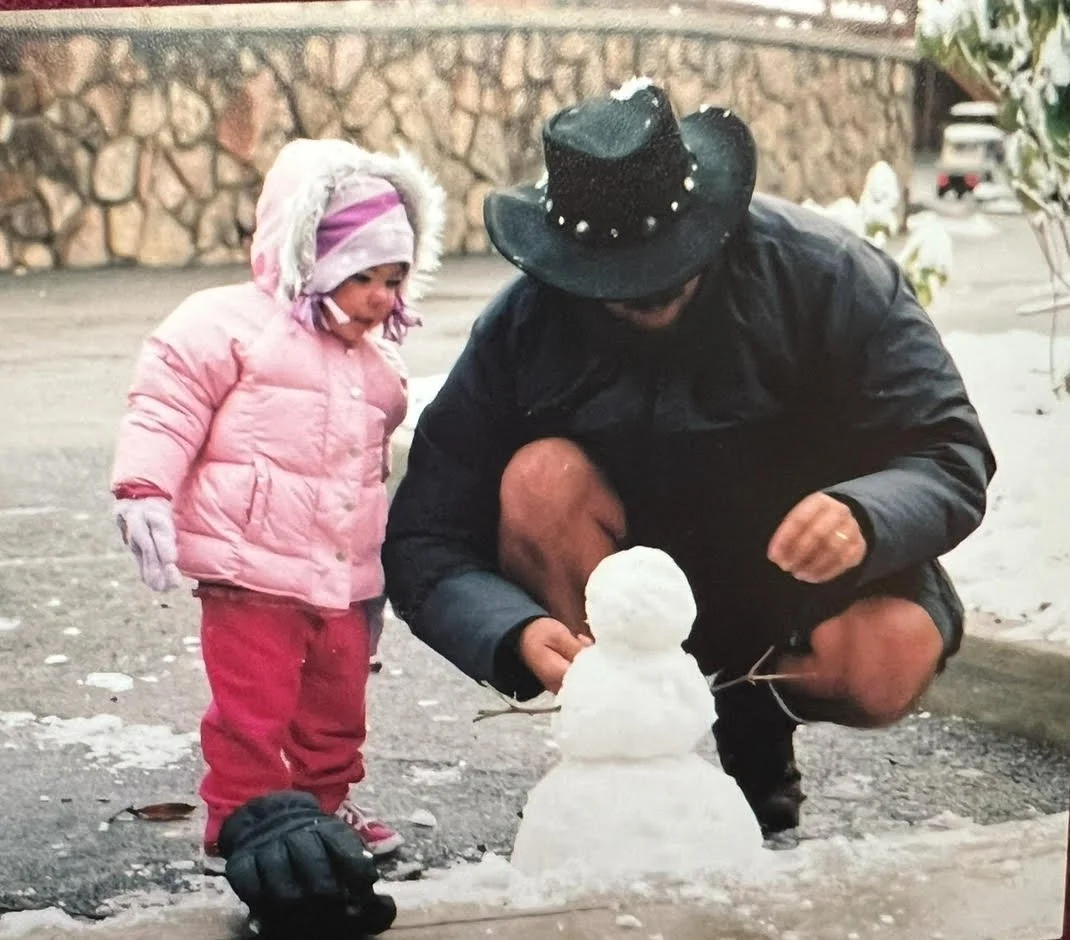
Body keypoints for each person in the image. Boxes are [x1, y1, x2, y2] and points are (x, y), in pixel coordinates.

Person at [383, 78, 996, 839]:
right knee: (539, 480)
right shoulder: (523, 322)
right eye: (618, 281)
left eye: (668, 266)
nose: (646, 292)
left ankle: (754, 715)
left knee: (888, 658)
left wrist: (867, 514)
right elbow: (425, 535)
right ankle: (638, 763)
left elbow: (950, 447)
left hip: (801, 586)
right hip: (624, 586)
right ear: (571, 259)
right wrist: (509, 630)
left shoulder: (827, 274)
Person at [110, 137, 445, 887]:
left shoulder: (378, 367)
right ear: (311, 259)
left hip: (344, 578)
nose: (381, 299)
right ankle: (242, 814)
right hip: (249, 568)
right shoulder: (227, 324)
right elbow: (165, 409)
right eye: (363, 277)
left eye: (394, 279)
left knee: (336, 710)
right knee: (252, 711)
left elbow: (378, 462)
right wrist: (144, 491)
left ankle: (322, 806)